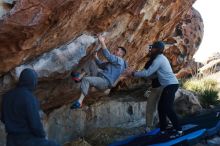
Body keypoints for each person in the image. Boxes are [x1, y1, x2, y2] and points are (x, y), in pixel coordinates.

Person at [125, 41, 182, 137]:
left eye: (153, 48)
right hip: (168, 85)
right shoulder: (160, 58)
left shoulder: (159, 59)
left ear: (158, 49)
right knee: (161, 108)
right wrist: (136, 73)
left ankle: (179, 130)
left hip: (171, 85)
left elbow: (147, 73)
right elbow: (152, 74)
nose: (151, 50)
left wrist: (133, 73)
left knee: (167, 108)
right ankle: (163, 129)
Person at [1, 68, 60, 146]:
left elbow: (3, 118)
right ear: (32, 82)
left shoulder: (7, 97)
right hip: (27, 140)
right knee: (53, 144)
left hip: (11, 141)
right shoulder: (29, 98)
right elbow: (35, 125)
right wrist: (42, 137)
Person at [70, 35, 127, 109]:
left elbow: (108, 56)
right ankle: (79, 77)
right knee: (91, 62)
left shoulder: (120, 61)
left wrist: (102, 41)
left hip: (105, 82)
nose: (114, 51)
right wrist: (96, 57)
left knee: (86, 79)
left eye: (117, 50)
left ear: (121, 54)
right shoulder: (114, 63)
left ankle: (79, 102)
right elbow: (101, 65)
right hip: (100, 78)